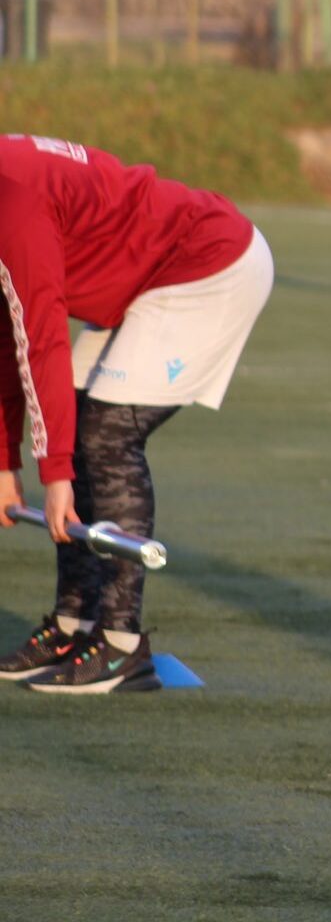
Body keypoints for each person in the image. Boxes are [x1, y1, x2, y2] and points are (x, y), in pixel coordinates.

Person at [0, 134, 273, 694]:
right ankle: (75, 625)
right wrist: (6, 462)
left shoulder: (11, 201)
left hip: (210, 264)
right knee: (77, 422)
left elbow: (41, 337)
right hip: (153, 278)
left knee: (102, 433)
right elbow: (6, 334)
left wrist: (53, 473)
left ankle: (123, 646)